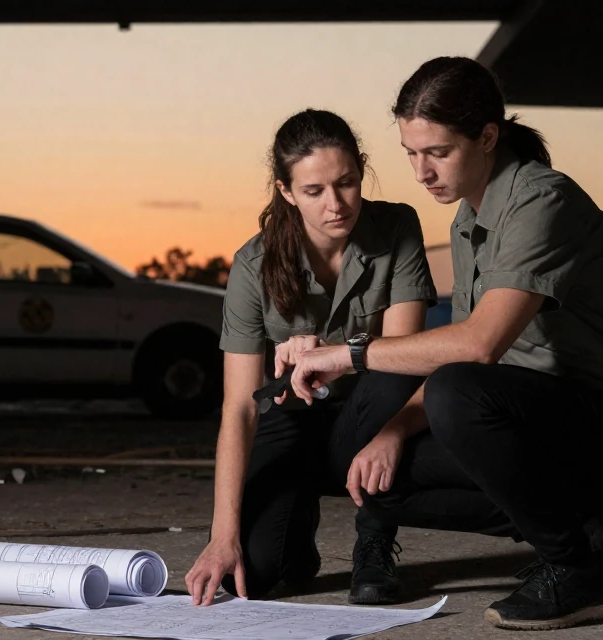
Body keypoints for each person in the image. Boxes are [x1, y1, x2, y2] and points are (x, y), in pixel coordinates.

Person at [288, 57, 603, 631]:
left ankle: (578, 574)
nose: (421, 172)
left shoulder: (542, 201)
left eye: (438, 152)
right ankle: (588, 533)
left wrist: (347, 352)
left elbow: (477, 347)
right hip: (547, 414)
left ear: (488, 137)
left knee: (456, 391)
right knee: (370, 474)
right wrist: (392, 433)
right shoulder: (467, 220)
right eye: (410, 153)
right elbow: (459, 353)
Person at [183, 109, 439, 607]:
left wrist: (332, 355)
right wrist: (222, 535)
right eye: (314, 191)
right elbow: (239, 407)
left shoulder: (397, 227)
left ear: (362, 169)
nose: (337, 204)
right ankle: (293, 535)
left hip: (372, 410)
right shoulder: (252, 266)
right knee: (253, 575)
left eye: (346, 183)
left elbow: (406, 356)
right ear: (286, 191)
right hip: (292, 417)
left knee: (387, 375)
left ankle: (374, 545)